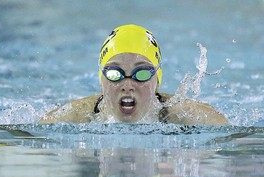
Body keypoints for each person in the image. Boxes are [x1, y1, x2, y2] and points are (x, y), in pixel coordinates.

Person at [40, 24, 229, 125]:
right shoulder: (77, 114)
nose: (128, 84)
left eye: (141, 73)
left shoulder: (183, 113)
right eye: (115, 73)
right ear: (101, 80)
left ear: (157, 81)